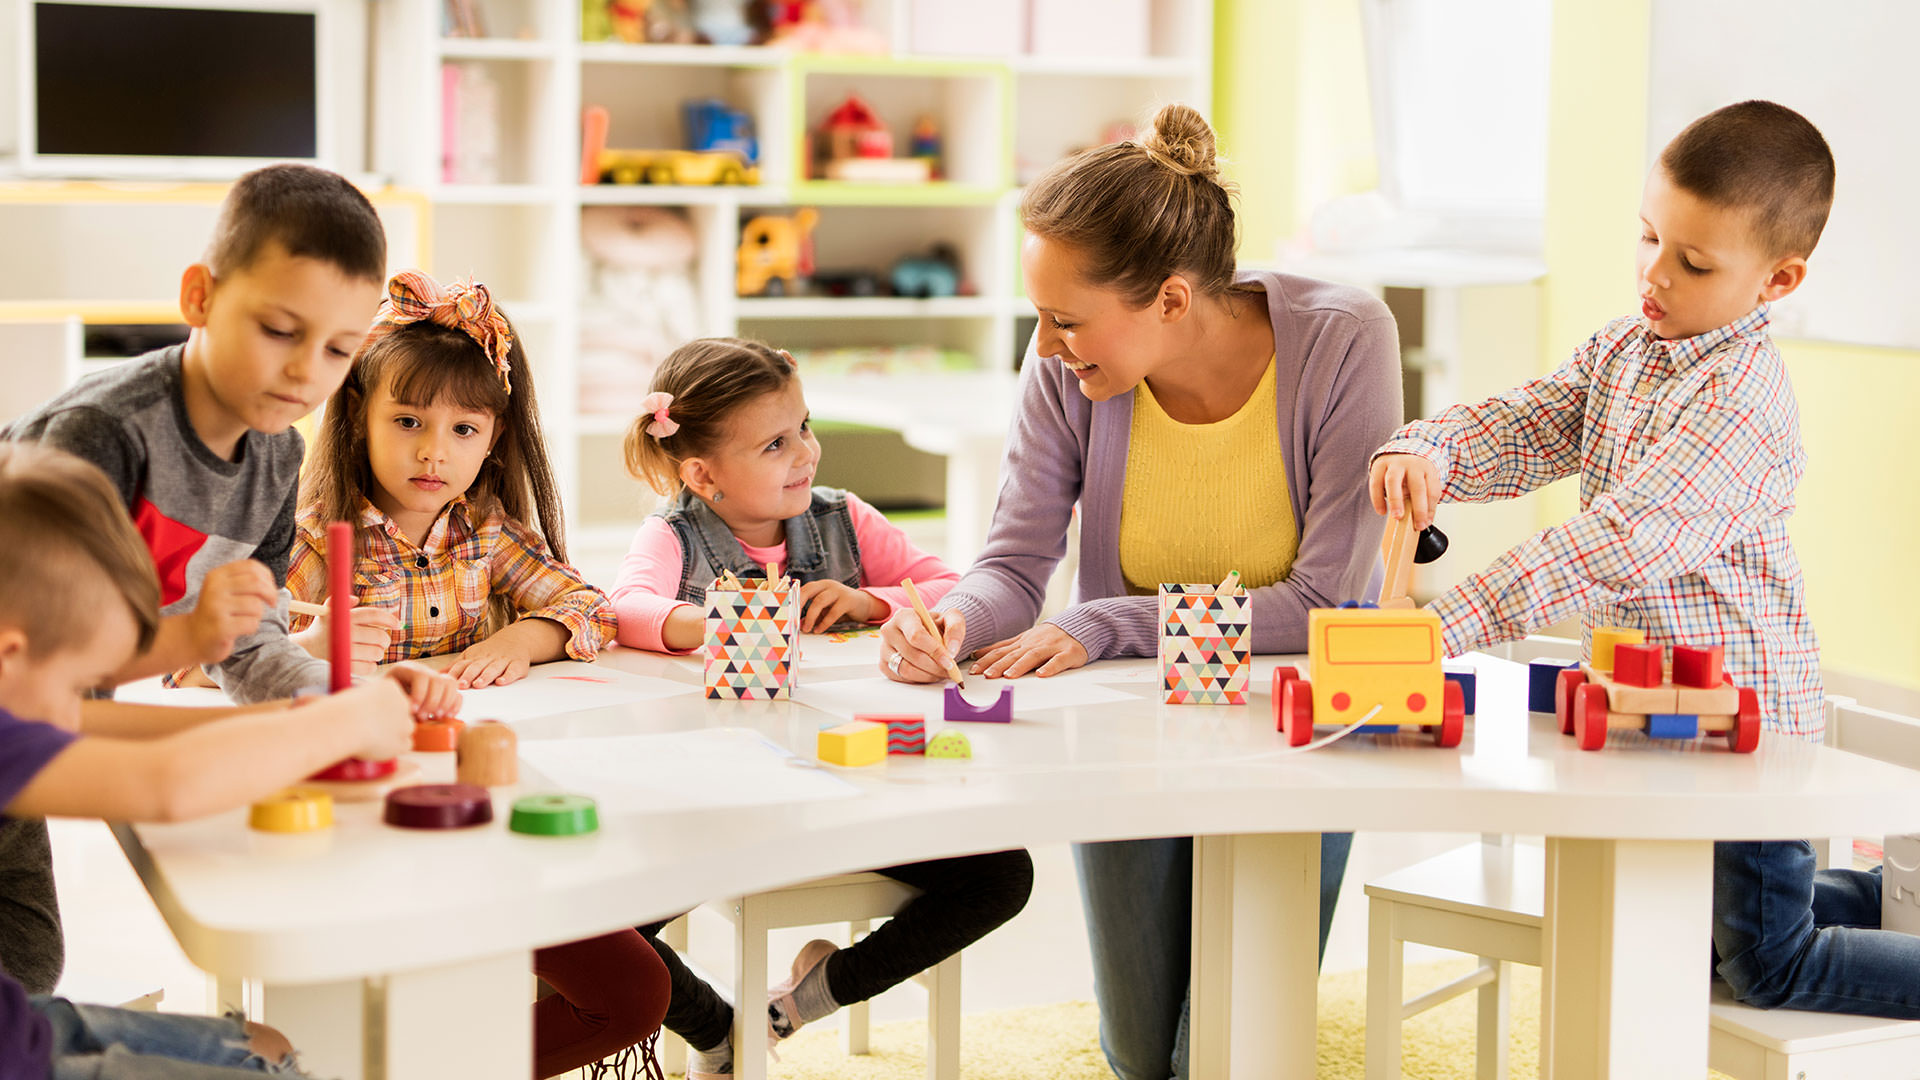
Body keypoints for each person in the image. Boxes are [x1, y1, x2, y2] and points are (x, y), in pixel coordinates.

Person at [878, 103, 1403, 1080]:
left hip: (1295, 726)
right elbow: (1016, 559)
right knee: (1139, 1051)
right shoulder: (1067, 370)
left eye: (1065, 320)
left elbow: (1326, 603)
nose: (1044, 347)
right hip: (1131, 725)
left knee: (1235, 1046)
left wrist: (1102, 621)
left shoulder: (1343, 339)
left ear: (1168, 300)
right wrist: (952, 619)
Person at [1371, 100, 1919, 1017]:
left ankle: (1877, 912)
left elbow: (1617, 541)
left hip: (1744, 735)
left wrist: (1444, 627)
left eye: (1694, 262)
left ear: (1778, 280)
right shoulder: (1629, 350)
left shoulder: (1740, 404)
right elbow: (1530, 423)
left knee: (1768, 965)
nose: (1654, 275)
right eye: (1648, 237)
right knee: (1691, 929)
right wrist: (1431, 449)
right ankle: (1885, 901)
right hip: (1654, 717)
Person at [0, 162, 458, 999]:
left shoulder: (278, 456)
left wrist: (332, 695)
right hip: (28, 705)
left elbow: (251, 641)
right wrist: (187, 640)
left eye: (337, 350)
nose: (305, 372)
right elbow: (33, 652)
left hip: (44, 722)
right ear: (200, 297)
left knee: (27, 964)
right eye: (279, 330)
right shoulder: (100, 436)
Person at [611, 336, 1030, 1080]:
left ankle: (803, 1001)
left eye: (804, 427)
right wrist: (711, 621)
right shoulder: (671, 536)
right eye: (776, 443)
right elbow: (626, 609)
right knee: (603, 926)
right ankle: (721, 1029)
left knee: (1003, 875)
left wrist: (873, 598)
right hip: (717, 809)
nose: (806, 452)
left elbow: (953, 582)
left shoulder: (845, 519)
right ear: (702, 474)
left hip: (856, 794)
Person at [288, 272, 659, 1076]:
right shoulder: (316, 539)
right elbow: (207, 658)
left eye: (464, 428)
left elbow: (589, 609)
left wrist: (523, 639)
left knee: (636, 993)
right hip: (354, 830)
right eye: (408, 420)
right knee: (344, 1017)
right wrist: (311, 647)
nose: (434, 450)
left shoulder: (485, 533)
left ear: (493, 439)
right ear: (359, 418)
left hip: (484, 810)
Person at [0, 441, 425, 1078]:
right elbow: (167, 783)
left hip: (19, 1024)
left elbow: (98, 722)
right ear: (11, 652)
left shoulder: (16, 692)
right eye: (78, 679)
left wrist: (304, 716)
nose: (78, 705)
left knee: (271, 1047)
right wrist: (347, 720)